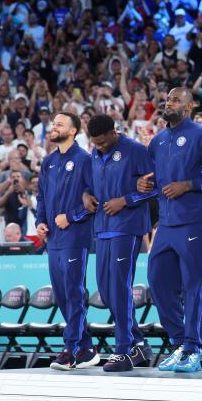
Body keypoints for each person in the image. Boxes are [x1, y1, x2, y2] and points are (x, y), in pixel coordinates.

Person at [136, 88, 202, 373]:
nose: (168, 103)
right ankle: (180, 342)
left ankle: (193, 348)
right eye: (167, 99)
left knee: (193, 285)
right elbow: (151, 178)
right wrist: (144, 185)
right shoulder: (157, 141)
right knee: (157, 281)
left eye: (175, 100)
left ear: (190, 105)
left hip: (195, 220)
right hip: (166, 224)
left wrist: (189, 185)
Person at [82, 114, 155, 372]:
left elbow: (155, 187)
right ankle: (139, 344)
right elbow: (89, 185)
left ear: (114, 132)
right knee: (105, 289)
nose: (100, 147)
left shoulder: (135, 150)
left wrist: (125, 200)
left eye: (103, 142)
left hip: (128, 227)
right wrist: (86, 196)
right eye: (96, 143)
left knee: (120, 286)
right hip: (102, 228)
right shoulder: (93, 153)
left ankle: (123, 350)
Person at [36, 112, 98, 370]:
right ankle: (86, 348)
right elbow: (41, 195)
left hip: (75, 236)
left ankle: (70, 348)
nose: (54, 127)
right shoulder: (48, 161)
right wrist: (41, 220)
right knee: (62, 295)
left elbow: (95, 200)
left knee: (73, 292)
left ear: (73, 131)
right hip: (53, 238)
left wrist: (71, 217)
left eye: (59, 124)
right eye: (53, 124)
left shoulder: (84, 160)